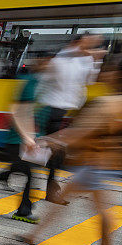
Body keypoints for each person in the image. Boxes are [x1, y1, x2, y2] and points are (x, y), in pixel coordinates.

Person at [23, 58, 122, 245]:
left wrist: (49, 140)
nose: (104, 73)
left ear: (116, 76)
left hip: (96, 163)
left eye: (108, 69)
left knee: (100, 208)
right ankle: (32, 236)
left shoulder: (107, 103)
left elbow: (80, 132)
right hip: (107, 162)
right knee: (66, 197)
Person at [36, 32, 106, 204]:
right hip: (54, 109)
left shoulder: (86, 59)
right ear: (78, 42)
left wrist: (95, 61)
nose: (92, 46)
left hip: (68, 112)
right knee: (54, 152)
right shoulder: (62, 58)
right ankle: (51, 191)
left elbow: (89, 81)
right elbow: (49, 78)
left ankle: (13, 170)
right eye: (89, 42)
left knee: (52, 151)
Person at [0, 52, 53, 224]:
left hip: (30, 139)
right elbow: (16, 111)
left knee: (25, 172)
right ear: (42, 62)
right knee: (30, 175)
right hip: (18, 140)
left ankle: (2, 177)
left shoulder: (44, 85)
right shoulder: (31, 83)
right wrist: (27, 137)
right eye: (48, 62)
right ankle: (23, 211)